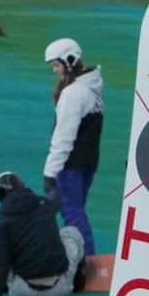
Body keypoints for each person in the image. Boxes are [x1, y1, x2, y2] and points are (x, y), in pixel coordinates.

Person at [0, 171, 86, 296]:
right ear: (23, 186)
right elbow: (56, 197)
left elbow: (0, 261)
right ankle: (77, 280)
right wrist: (51, 184)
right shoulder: (46, 204)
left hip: (21, 291)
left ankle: (2, 284)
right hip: (60, 289)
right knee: (71, 231)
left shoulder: (1, 223)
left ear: (0, 197)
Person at [42, 38, 104, 259]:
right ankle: (78, 258)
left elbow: (64, 136)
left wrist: (50, 172)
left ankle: (87, 262)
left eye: (57, 64)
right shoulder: (93, 87)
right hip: (88, 162)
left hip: (71, 164)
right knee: (75, 210)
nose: (55, 69)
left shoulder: (73, 93)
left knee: (72, 213)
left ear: (69, 61)